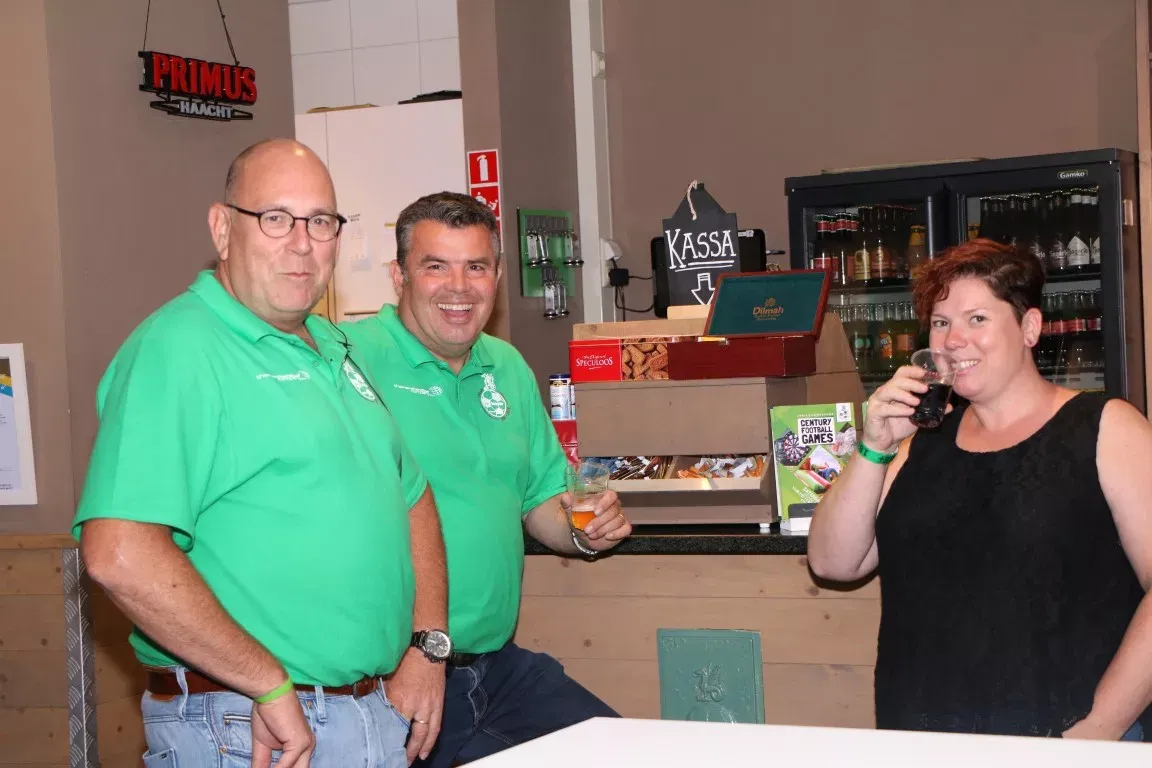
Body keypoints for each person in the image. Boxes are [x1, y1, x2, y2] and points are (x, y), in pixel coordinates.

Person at [73, 139, 450, 768]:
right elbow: (118, 553)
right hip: (246, 724)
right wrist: (265, 681)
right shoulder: (179, 348)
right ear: (223, 229)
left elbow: (411, 494)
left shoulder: (334, 346)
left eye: (321, 222)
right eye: (276, 218)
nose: (302, 243)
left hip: (370, 713)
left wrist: (427, 646)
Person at [808, 238, 1152, 740]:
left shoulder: (1105, 427)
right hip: (922, 735)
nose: (953, 340)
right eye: (941, 322)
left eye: (977, 319)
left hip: (1062, 739)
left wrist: (1096, 731)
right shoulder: (917, 444)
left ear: (1029, 327)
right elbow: (833, 563)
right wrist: (874, 445)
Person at [339, 191, 630, 766]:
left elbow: (541, 499)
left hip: (495, 670)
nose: (459, 287)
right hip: (396, 676)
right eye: (436, 266)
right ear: (399, 276)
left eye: (475, 267)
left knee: (624, 752)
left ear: (496, 275)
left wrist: (584, 529)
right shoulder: (348, 358)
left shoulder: (507, 366)